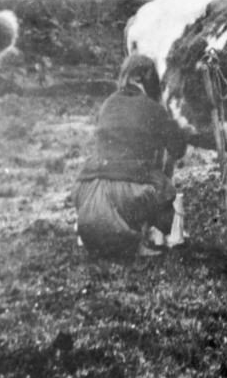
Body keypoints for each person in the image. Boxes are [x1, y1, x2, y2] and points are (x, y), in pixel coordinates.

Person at [72, 54, 189, 258]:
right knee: (162, 188)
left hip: (87, 188)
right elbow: (178, 149)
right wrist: (179, 127)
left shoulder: (108, 103)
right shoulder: (153, 109)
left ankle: (93, 232)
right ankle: (145, 238)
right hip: (128, 193)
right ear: (144, 78)